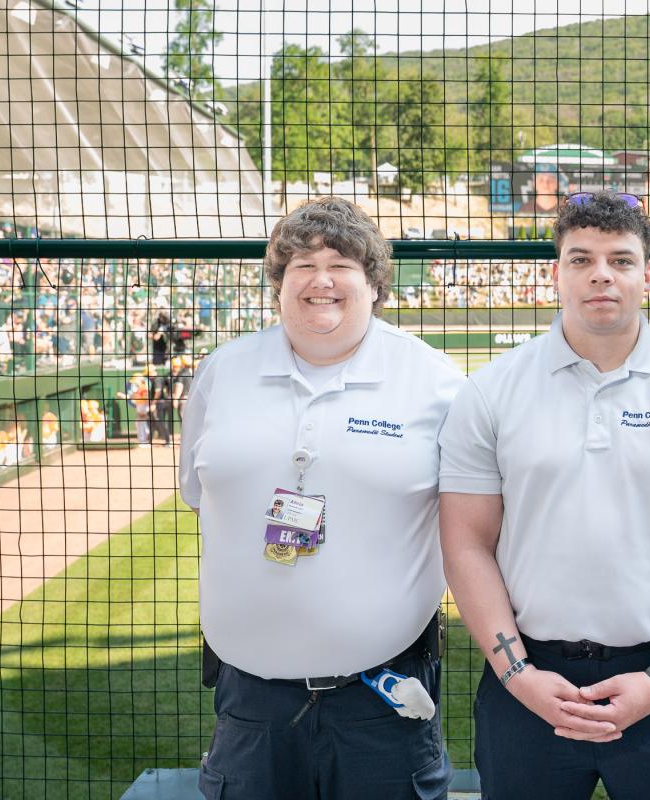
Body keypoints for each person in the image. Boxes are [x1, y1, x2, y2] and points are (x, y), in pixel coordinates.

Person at [439, 190, 650, 800]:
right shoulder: (491, 392)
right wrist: (519, 675)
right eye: (581, 259)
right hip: (527, 682)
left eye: (620, 259)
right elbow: (466, 544)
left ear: (648, 274)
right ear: (554, 273)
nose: (601, 276)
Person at [178, 197, 463, 800]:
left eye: (341, 263)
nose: (321, 279)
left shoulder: (436, 383)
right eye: (301, 264)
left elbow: (470, 527)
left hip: (385, 695)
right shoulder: (221, 373)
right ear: (278, 284)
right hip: (248, 700)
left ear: (375, 283)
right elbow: (202, 498)